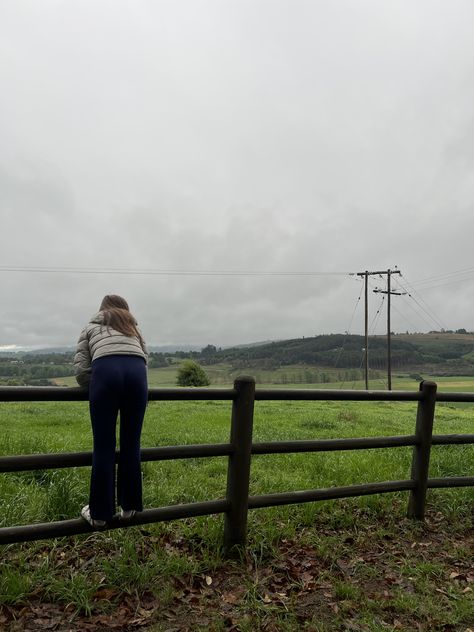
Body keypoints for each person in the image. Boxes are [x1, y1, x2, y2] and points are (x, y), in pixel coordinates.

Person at [74, 295, 148, 528]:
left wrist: (94, 388)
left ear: (102, 310)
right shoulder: (133, 328)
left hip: (106, 374)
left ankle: (99, 515)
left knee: (104, 445)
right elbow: (145, 358)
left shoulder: (90, 327)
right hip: (137, 376)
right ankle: (129, 508)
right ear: (125, 310)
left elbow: (82, 369)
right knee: (131, 443)